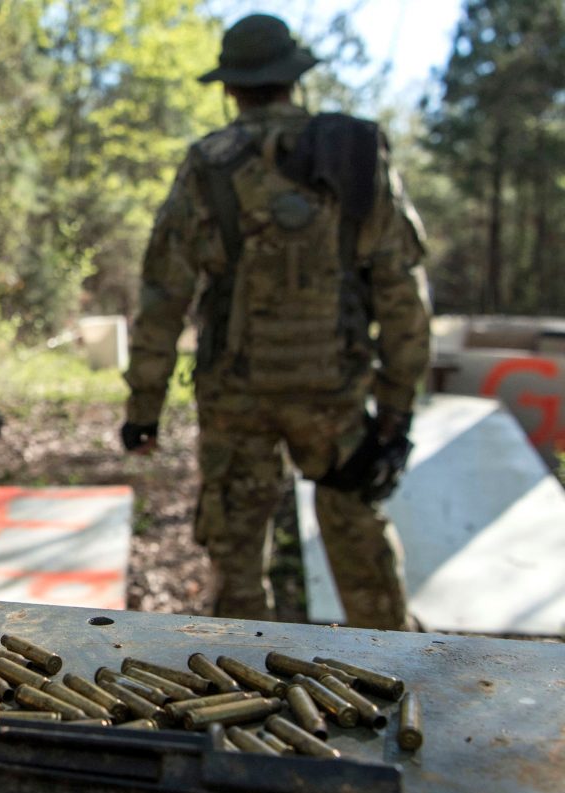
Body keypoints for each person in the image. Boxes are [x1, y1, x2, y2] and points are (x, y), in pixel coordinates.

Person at [120, 13, 430, 630]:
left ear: (231, 87)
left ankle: (238, 677)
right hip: (334, 392)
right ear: (293, 79)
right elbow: (401, 290)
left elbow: (163, 296)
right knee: (359, 543)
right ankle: (397, 666)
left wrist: (144, 409)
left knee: (236, 563)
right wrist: (397, 405)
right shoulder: (355, 155)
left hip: (236, 397)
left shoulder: (209, 164)